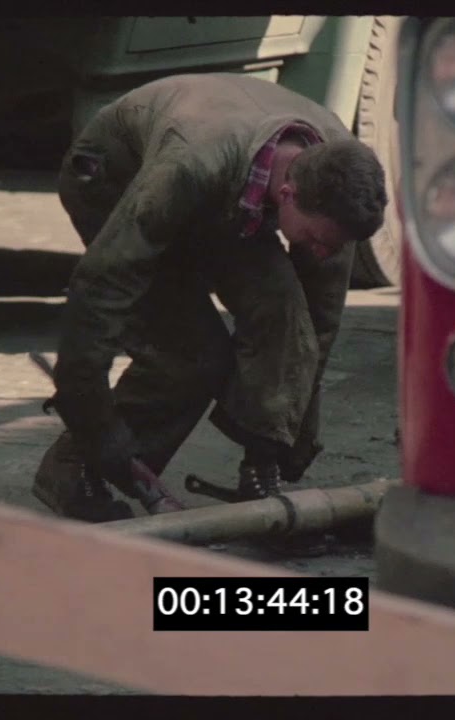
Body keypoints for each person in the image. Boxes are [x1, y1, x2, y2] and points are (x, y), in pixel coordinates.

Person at [30, 72, 388, 550]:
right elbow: (101, 287)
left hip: (232, 196)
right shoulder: (191, 165)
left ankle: (257, 484)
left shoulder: (334, 177)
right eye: (318, 240)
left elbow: (316, 326)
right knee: (193, 356)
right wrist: (94, 424)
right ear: (288, 193)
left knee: (283, 311)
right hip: (116, 178)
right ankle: (73, 470)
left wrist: (281, 444)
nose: (322, 254)